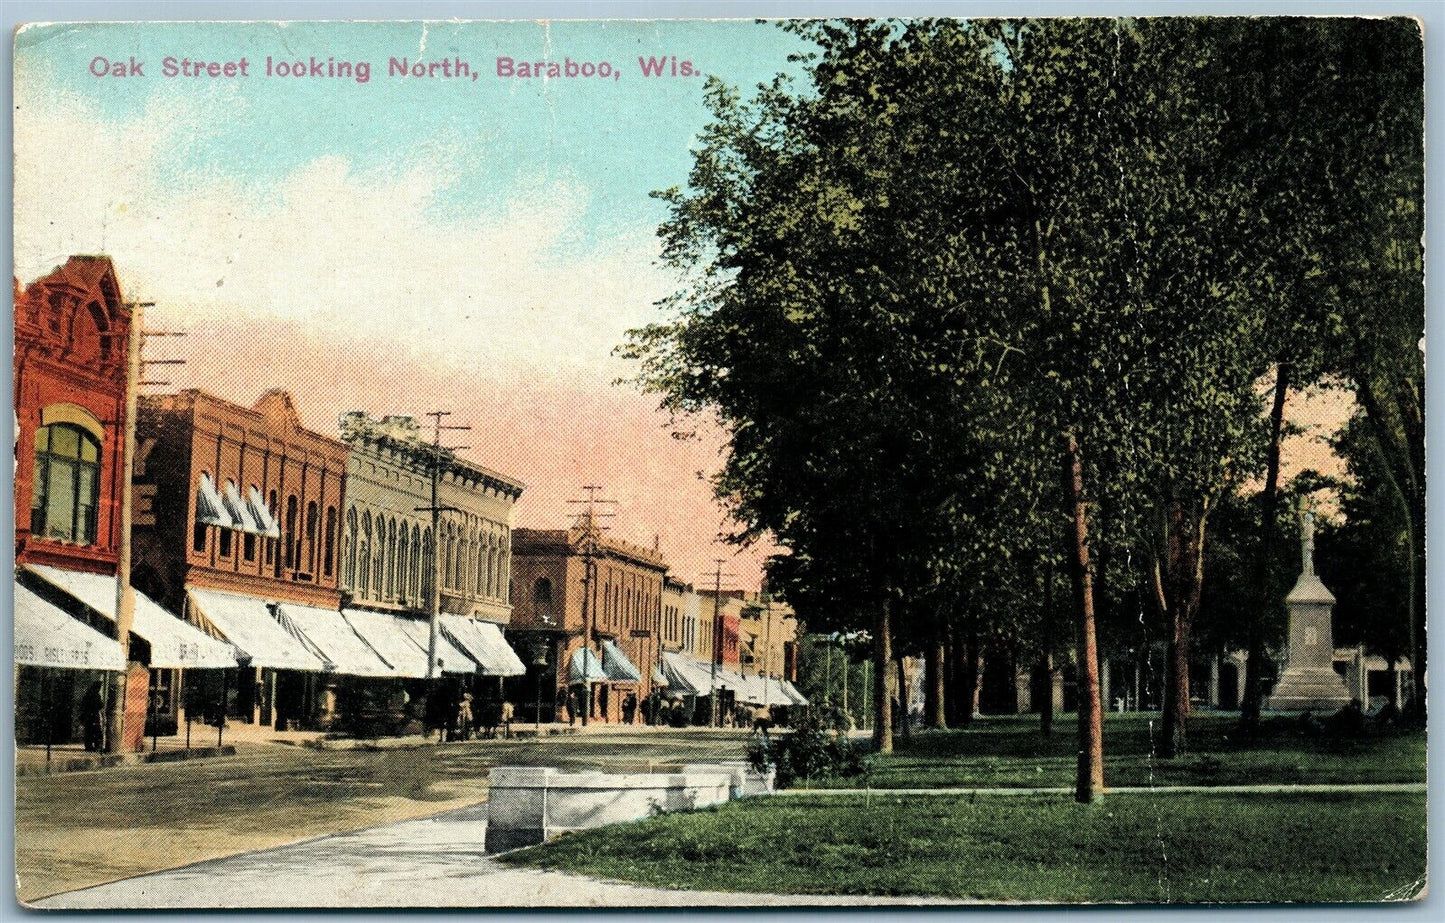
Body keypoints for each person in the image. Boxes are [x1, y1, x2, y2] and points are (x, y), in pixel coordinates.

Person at [81, 681, 105, 752]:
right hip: (94, 715)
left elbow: (83, 705)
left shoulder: (87, 694)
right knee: (96, 731)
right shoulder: (96, 695)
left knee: (88, 731)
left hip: (87, 715)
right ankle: (97, 746)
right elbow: (100, 705)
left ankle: (88, 746)